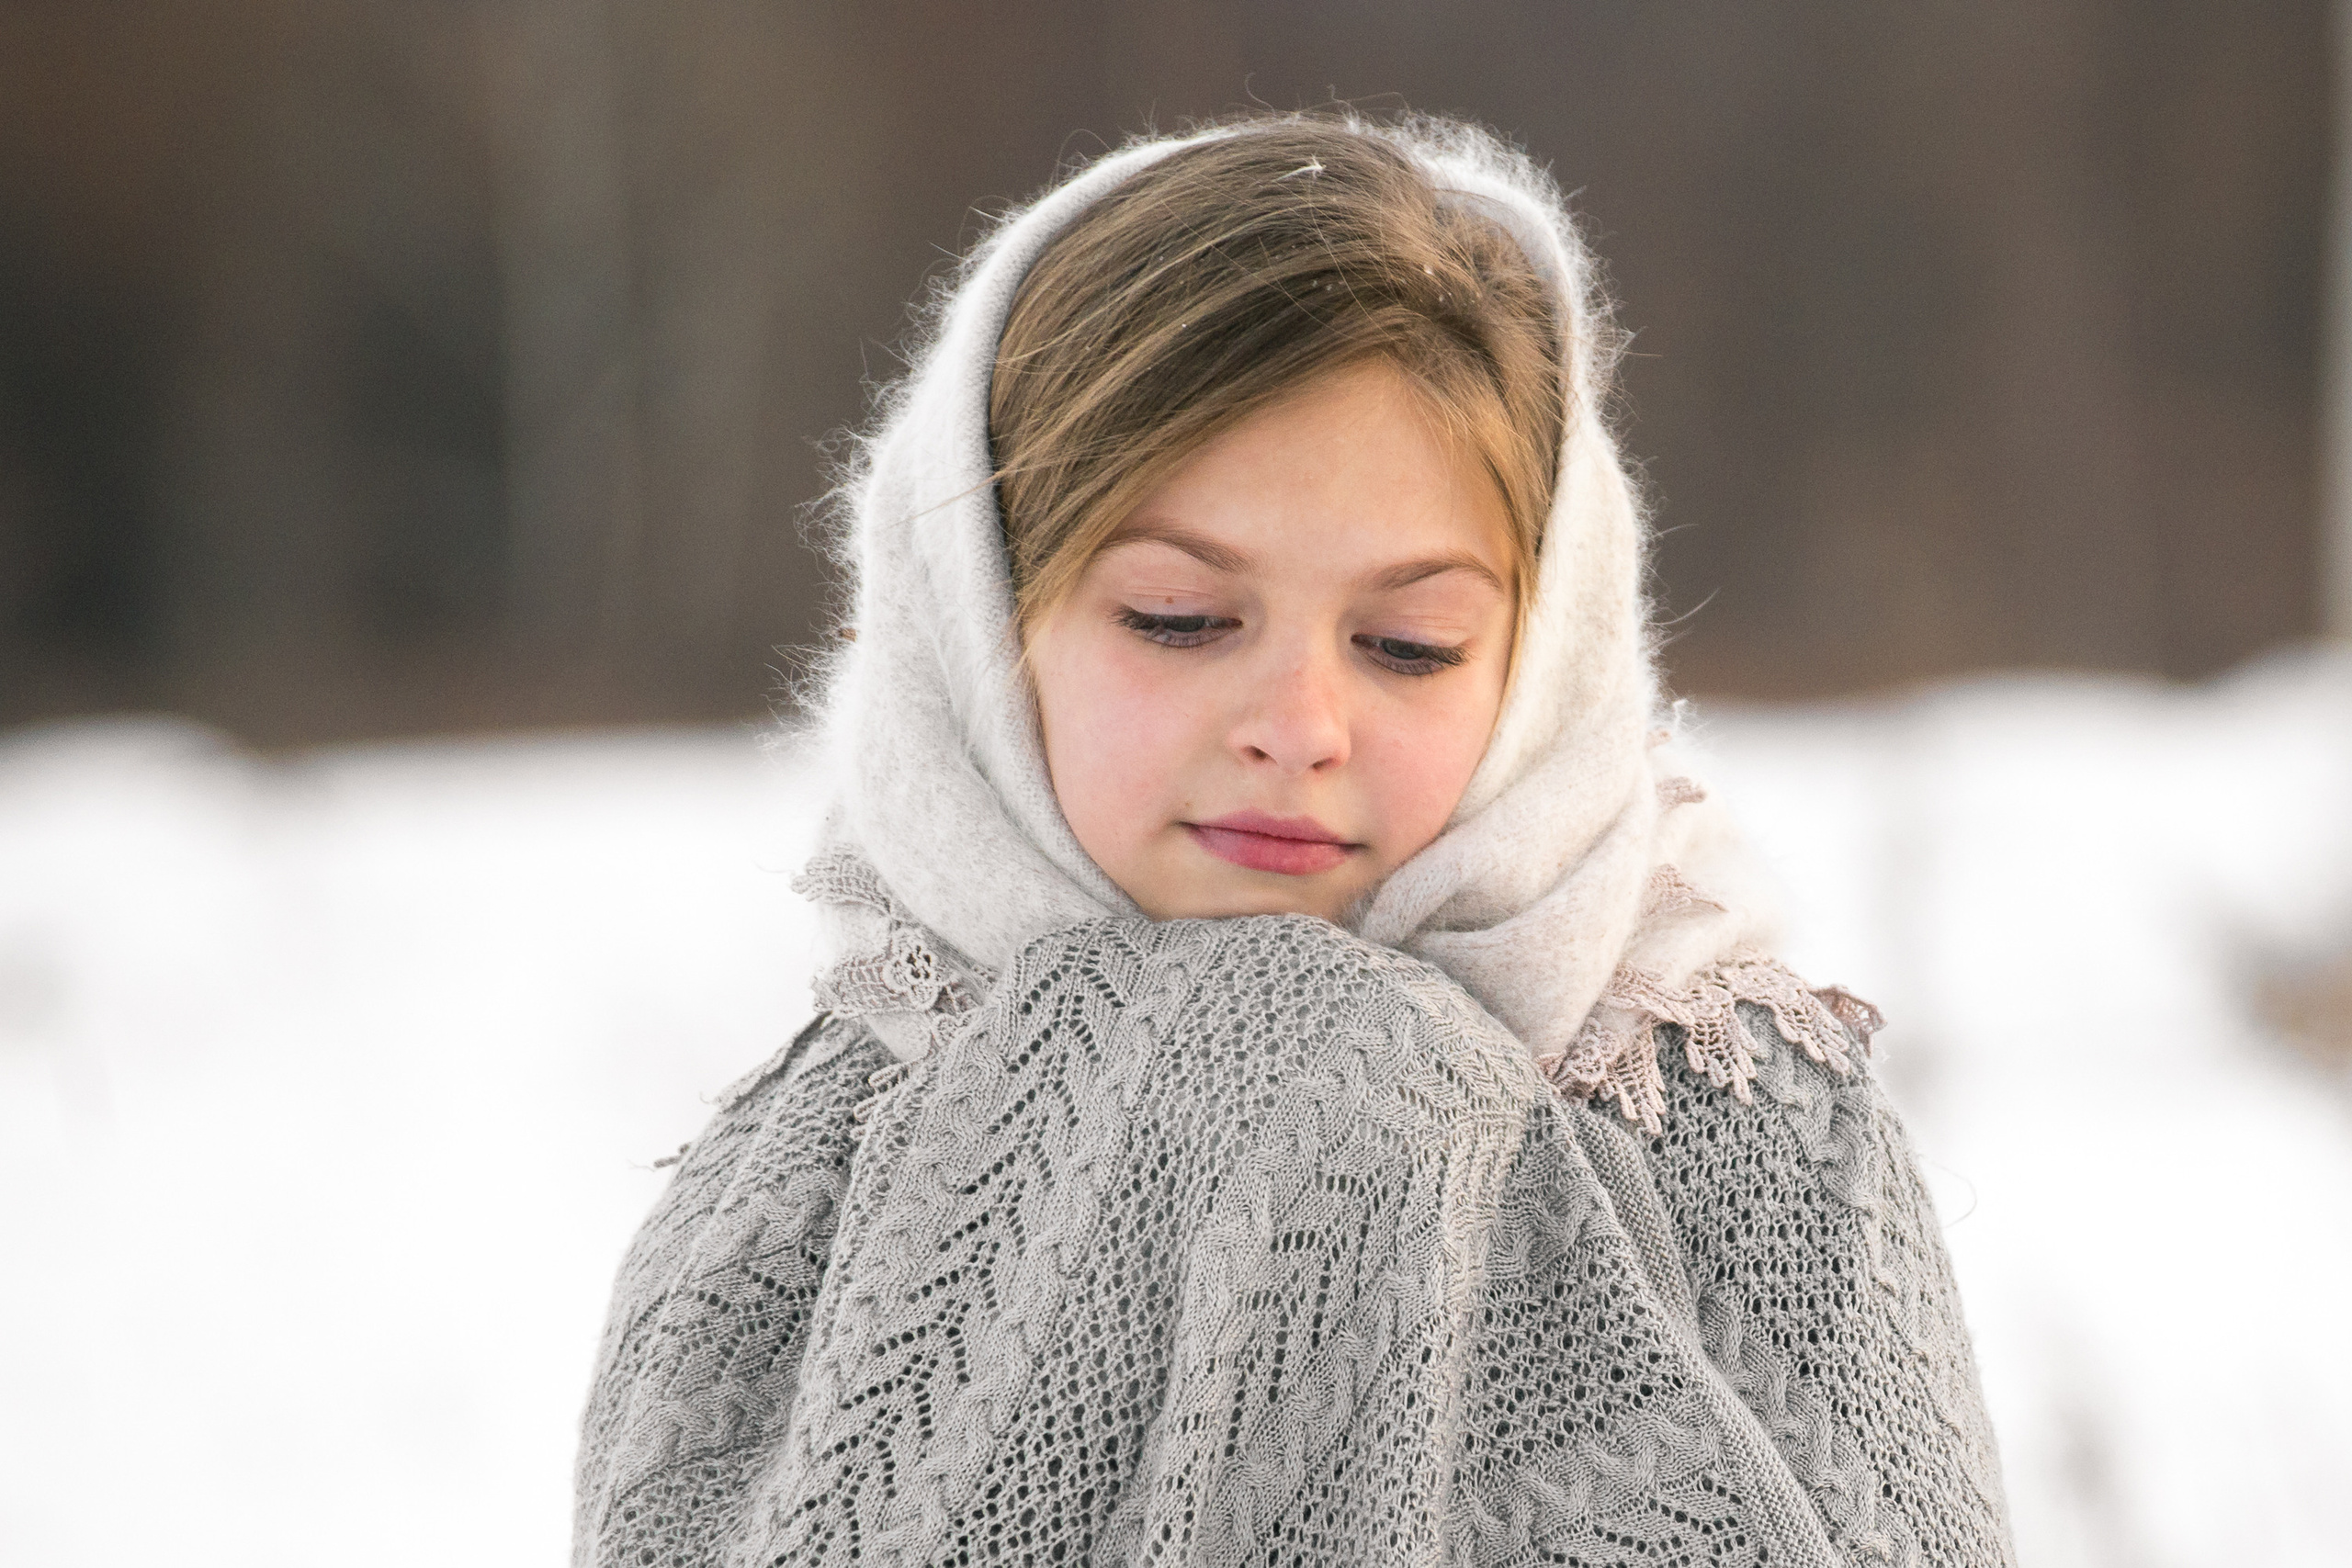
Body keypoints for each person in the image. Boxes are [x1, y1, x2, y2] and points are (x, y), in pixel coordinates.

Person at [572, 112, 2016, 1566]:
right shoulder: (817, 1160)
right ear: (985, 618)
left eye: (1407, 644)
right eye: (1179, 620)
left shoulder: (1727, 1130)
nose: (1298, 725)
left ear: (1539, 658)